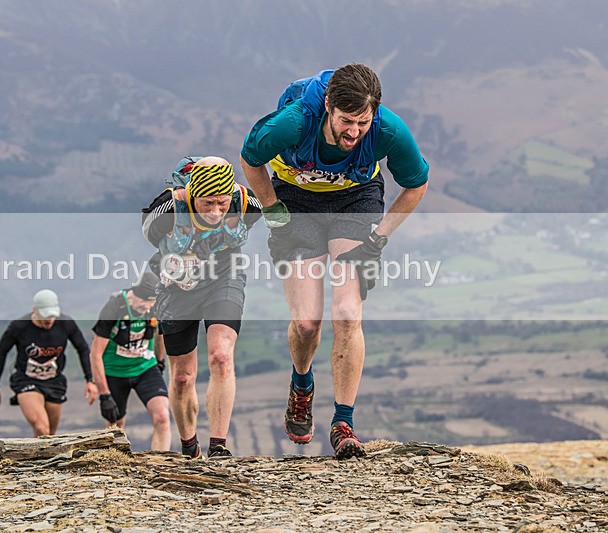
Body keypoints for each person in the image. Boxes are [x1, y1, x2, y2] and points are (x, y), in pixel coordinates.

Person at [239, 64, 429, 459]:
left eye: (363, 122)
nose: (354, 132)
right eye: (346, 121)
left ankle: (344, 423)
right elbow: (250, 158)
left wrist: (378, 239)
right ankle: (302, 385)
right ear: (328, 107)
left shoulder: (388, 130)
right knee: (307, 323)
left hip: (354, 200)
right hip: (296, 199)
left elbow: (416, 184)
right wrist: (274, 213)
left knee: (346, 313)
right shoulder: (293, 123)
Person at [142, 156, 262, 458]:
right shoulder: (167, 209)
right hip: (177, 287)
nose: (215, 211)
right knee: (182, 376)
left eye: (222, 203)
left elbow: (261, 218)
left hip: (224, 276)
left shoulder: (247, 203)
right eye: (207, 203)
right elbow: (152, 239)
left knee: (221, 356)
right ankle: (189, 446)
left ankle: (219, 447)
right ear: (192, 194)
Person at [0, 289, 96, 437]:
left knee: (49, 435)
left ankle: (40, 460)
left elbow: (83, 349)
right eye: (45, 316)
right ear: (35, 311)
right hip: (26, 380)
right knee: (41, 428)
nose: (49, 320)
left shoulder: (66, 324)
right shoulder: (19, 327)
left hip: (54, 381)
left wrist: (90, 380)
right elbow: (1, 352)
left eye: (52, 316)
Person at [90, 272, 170, 451]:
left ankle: (160, 463)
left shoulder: (155, 306)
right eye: (145, 301)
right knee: (116, 426)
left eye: (152, 302)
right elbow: (95, 353)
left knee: (162, 416)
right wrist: (104, 395)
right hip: (114, 371)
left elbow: (160, 333)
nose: (148, 306)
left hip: (145, 367)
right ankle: (114, 465)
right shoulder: (114, 308)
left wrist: (160, 361)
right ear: (135, 293)